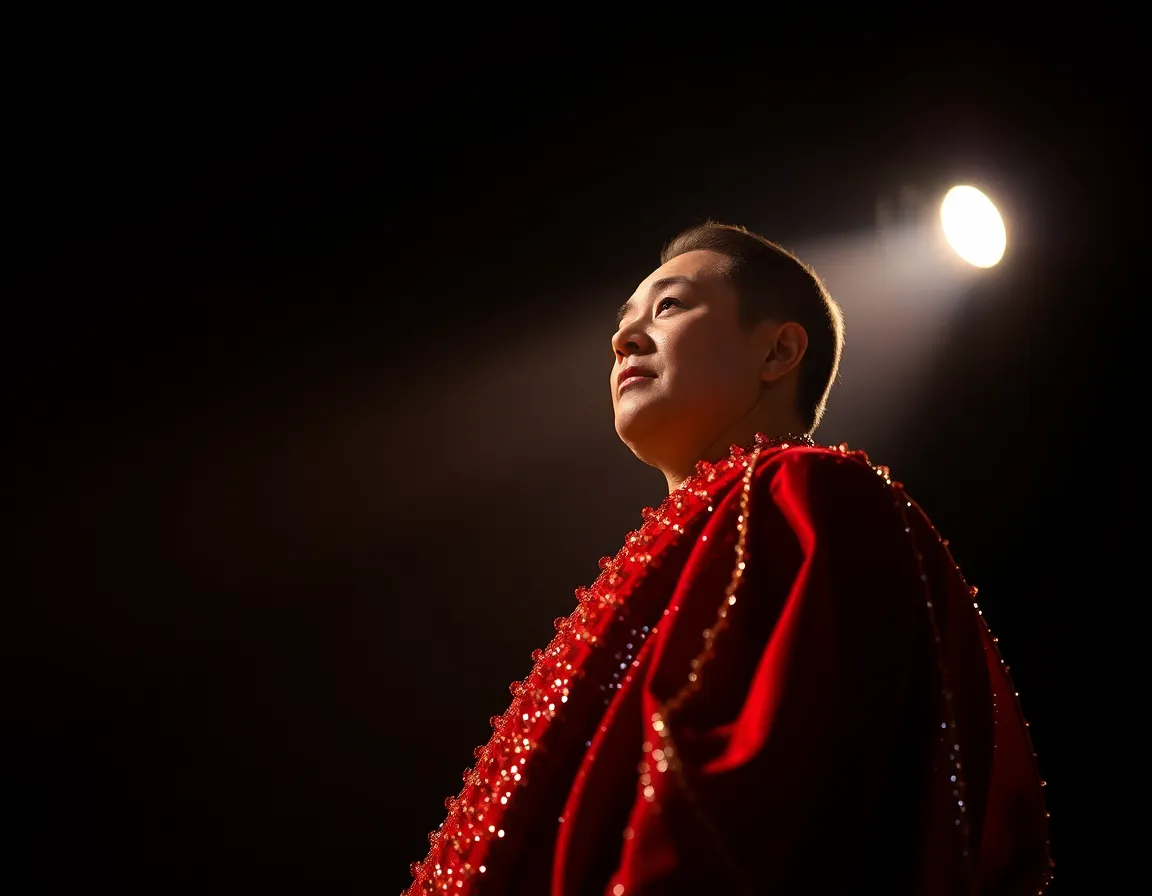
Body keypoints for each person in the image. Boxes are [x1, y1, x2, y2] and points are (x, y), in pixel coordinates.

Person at [404, 223, 1052, 895]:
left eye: (670, 306)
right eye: (624, 321)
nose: (624, 339)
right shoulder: (667, 544)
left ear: (778, 351)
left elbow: (775, 794)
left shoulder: (807, 492)